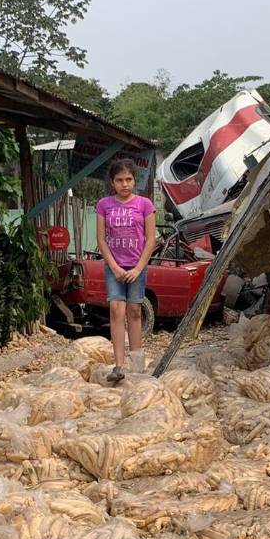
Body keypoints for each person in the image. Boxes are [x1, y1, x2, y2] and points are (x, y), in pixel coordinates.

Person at [95, 160, 156, 383]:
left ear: (134, 180)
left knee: (135, 311)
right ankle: (119, 365)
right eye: (119, 180)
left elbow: (151, 239)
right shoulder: (104, 205)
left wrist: (138, 268)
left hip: (137, 266)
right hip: (114, 267)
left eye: (128, 179)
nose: (124, 184)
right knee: (116, 310)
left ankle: (137, 364)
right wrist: (114, 266)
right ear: (112, 182)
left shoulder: (145, 204)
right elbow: (101, 239)